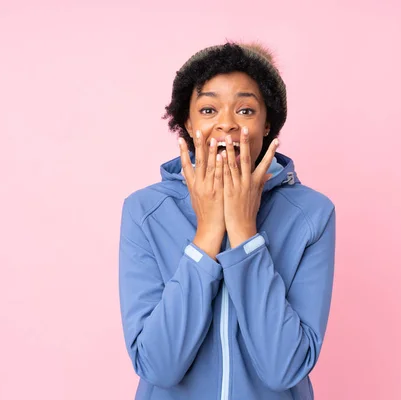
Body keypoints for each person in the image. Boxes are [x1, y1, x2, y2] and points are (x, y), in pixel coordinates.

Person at [119, 41, 336, 400]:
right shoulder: (145, 211)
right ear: (187, 122)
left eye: (246, 110)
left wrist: (244, 234)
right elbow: (158, 366)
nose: (226, 123)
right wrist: (207, 234)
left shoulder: (312, 215)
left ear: (268, 125)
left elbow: (284, 368)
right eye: (208, 109)